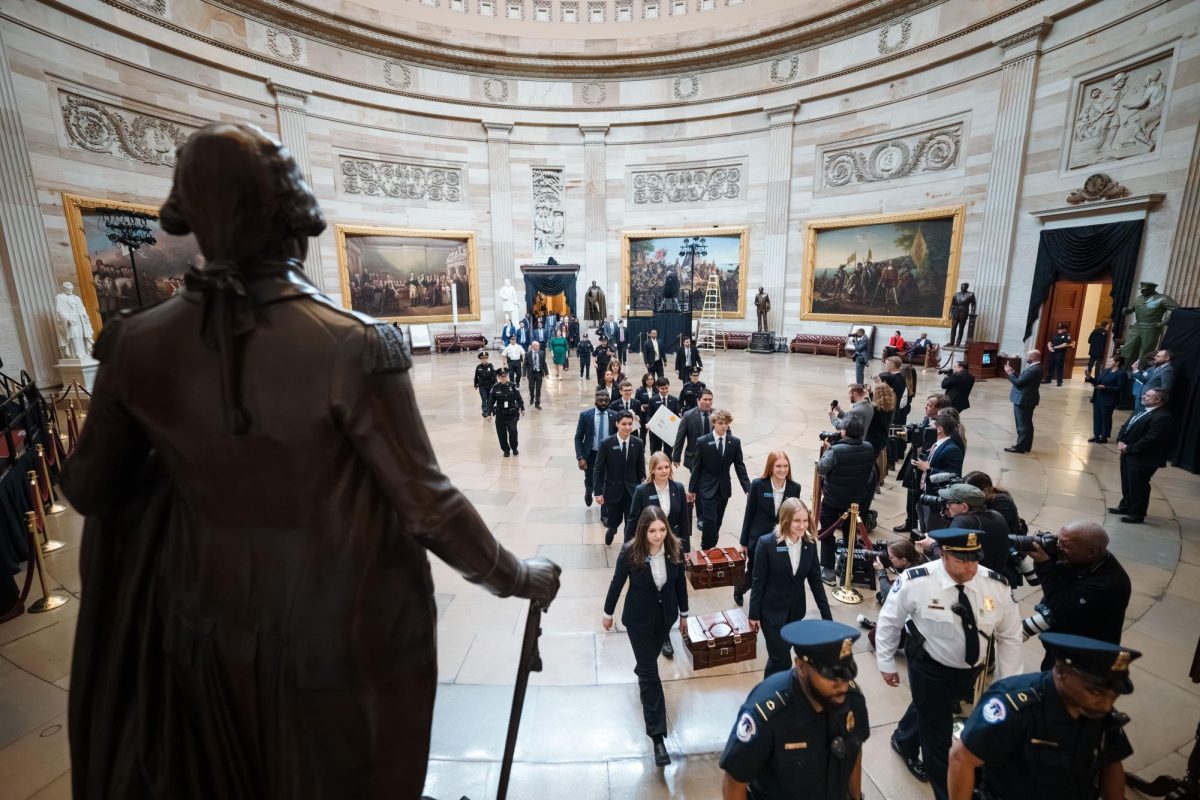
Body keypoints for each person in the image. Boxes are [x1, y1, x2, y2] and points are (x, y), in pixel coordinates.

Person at [59, 122, 561, 799]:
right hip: (340, 638)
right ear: (293, 224)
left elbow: (91, 488)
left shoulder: (132, 344)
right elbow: (428, 506)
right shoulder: (353, 346)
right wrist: (516, 576)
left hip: (201, 629)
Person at [876, 529, 1022, 800]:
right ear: (943, 555)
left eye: (974, 560)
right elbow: (890, 620)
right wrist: (886, 661)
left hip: (971, 671)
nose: (970, 567)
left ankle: (903, 739)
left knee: (928, 707)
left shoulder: (996, 586)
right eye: (961, 560)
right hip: (929, 667)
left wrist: (1007, 687)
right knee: (939, 740)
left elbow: (1010, 637)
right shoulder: (916, 581)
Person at [949, 633, 1140, 800]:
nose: (1107, 705)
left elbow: (1112, 762)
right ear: (1062, 673)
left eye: (1114, 695)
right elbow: (961, 759)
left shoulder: (1100, 714)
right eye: (1095, 692)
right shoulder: (1013, 706)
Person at [719, 620, 870, 800]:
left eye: (845, 676)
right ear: (801, 667)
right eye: (830, 676)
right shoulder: (767, 715)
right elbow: (734, 785)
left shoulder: (852, 699)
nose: (842, 686)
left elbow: (855, 753)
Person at [602, 506, 688, 767]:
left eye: (662, 529)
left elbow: (680, 583)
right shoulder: (631, 552)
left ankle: (643, 666)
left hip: (665, 618)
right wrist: (607, 613)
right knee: (651, 676)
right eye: (652, 531)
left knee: (646, 663)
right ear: (643, 530)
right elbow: (617, 582)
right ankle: (658, 737)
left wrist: (684, 614)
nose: (658, 535)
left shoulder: (675, 549)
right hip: (639, 621)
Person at [1025, 521, 1131, 666]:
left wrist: (1044, 565)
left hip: (1082, 658)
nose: (1058, 549)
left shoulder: (1109, 583)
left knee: (1059, 685)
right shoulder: (1083, 559)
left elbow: (1061, 607)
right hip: (1061, 643)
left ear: (1092, 552)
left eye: (1065, 546)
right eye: (1057, 541)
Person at [749, 498, 833, 677]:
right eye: (797, 521)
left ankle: (769, 690)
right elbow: (758, 581)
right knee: (783, 660)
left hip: (795, 613)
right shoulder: (766, 544)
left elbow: (816, 583)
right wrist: (754, 614)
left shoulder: (809, 545)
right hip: (770, 614)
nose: (802, 526)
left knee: (776, 660)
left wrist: (828, 619)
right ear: (786, 520)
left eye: (805, 521)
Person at [736, 450, 803, 606]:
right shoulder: (758, 485)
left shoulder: (794, 488)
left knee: (773, 574)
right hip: (757, 540)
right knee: (754, 574)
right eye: (778, 466)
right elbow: (749, 515)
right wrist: (743, 543)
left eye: (786, 466)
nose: (782, 470)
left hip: (780, 540)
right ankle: (740, 588)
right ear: (771, 467)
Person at [816, 416, 876, 584]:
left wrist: (828, 449)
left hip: (833, 500)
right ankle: (850, 564)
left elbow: (821, 468)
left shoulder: (836, 450)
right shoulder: (869, 447)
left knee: (827, 533)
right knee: (850, 534)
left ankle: (827, 570)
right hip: (856, 501)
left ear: (844, 431)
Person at [687, 409, 751, 550]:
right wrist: (692, 490)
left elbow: (740, 467)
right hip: (706, 489)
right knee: (710, 521)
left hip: (723, 489)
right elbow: (696, 467)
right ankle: (706, 548)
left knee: (717, 523)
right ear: (714, 423)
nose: (723, 426)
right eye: (721, 423)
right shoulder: (703, 442)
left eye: (726, 423)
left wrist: (748, 489)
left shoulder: (734, 442)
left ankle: (710, 546)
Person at [916, 484, 1010, 575]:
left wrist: (932, 545)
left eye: (949, 503)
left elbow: (950, 561)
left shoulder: (962, 521)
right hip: (994, 576)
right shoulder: (997, 515)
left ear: (964, 507)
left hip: (970, 578)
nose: (947, 506)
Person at [1112, 387, 1175, 523]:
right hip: (1128, 453)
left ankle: (1137, 514)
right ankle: (1125, 506)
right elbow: (1127, 426)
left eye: (1147, 396)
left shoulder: (1163, 417)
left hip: (1144, 458)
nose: (1143, 397)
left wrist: (1129, 448)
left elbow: (1151, 440)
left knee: (1139, 486)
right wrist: (1120, 440)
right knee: (1127, 483)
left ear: (1157, 400)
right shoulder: (1141, 409)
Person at [595, 410, 647, 545]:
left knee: (631, 523)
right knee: (613, 521)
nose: (627, 427)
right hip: (613, 490)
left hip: (632, 490)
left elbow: (641, 469)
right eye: (624, 424)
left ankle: (627, 547)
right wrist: (598, 492)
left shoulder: (638, 443)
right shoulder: (606, 443)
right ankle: (612, 530)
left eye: (630, 424)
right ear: (617, 424)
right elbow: (598, 468)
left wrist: (645, 486)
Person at [913, 412, 964, 533]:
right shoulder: (936, 444)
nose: (926, 429)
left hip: (936, 499)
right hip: (924, 494)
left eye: (930, 426)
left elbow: (953, 475)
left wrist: (928, 469)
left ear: (939, 429)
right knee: (924, 530)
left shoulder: (952, 449)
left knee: (932, 532)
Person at [628, 452, 690, 551]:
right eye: (659, 468)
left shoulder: (679, 488)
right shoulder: (641, 491)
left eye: (666, 467)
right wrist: (628, 548)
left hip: (673, 542)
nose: (664, 471)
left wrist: (686, 550)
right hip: (649, 543)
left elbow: (684, 521)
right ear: (652, 470)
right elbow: (633, 521)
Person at [575, 389, 613, 507]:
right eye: (600, 400)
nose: (603, 403)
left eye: (606, 401)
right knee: (590, 478)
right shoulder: (585, 415)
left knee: (608, 480)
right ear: (595, 400)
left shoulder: (615, 416)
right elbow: (578, 437)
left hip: (609, 455)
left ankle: (605, 511)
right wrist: (580, 457)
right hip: (591, 454)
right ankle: (589, 490)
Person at [1003, 349, 1042, 453]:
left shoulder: (1032, 370)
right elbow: (1023, 378)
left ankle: (1019, 447)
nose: (1026, 357)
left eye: (1028, 355)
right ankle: (1026, 445)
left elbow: (1019, 383)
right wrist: (1013, 371)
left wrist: (1009, 374)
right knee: (1027, 423)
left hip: (1023, 399)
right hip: (1028, 399)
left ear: (1033, 357)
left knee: (1022, 424)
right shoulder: (1036, 368)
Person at [962, 471, 1021, 536]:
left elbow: (989, 527)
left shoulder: (1003, 502)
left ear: (985, 491)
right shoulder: (980, 500)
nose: (965, 495)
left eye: (969, 492)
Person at [866, 376, 896, 490]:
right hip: (882, 438)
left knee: (871, 464)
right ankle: (878, 482)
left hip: (872, 439)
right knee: (875, 462)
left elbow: (872, 410)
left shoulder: (874, 409)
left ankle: (874, 484)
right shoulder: (889, 407)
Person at [486, 368, 525, 456]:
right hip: (500, 414)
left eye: (505, 376)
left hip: (512, 413)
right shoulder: (495, 388)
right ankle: (506, 450)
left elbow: (518, 398)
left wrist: (522, 408)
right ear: (499, 377)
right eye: (501, 376)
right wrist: (488, 414)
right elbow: (490, 402)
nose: (504, 378)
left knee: (513, 431)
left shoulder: (512, 385)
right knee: (501, 433)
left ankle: (514, 448)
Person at [1090, 355, 1128, 443]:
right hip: (1098, 397)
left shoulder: (1121, 373)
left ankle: (1104, 437)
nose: (1108, 363)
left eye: (1111, 362)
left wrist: (1105, 387)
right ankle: (1096, 435)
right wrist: (1089, 378)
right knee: (1097, 416)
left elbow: (1120, 388)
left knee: (1105, 417)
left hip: (1109, 398)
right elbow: (1097, 381)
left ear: (1117, 363)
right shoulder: (1106, 371)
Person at [672, 389, 713, 469]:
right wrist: (676, 457)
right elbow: (680, 437)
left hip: (713, 456)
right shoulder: (688, 416)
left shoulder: (717, 414)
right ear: (698, 400)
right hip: (695, 457)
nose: (708, 402)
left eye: (710, 400)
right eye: (705, 399)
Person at [1130, 348, 1174, 414]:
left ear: (1167, 358)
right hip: (1146, 399)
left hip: (1152, 402)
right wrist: (1135, 370)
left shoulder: (1167, 370)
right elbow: (1146, 380)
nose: (1155, 357)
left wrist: (1154, 401)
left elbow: (1165, 389)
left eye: (1158, 356)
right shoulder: (1159, 368)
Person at [646, 377, 680, 456]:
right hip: (656, 431)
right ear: (658, 388)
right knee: (655, 453)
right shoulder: (652, 400)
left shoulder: (674, 400)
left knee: (668, 453)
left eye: (666, 388)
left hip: (669, 431)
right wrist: (649, 423)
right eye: (662, 388)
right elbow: (649, 415)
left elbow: (676, 415)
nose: (664, 390)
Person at [524, 340, 549, 409]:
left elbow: (544, 363)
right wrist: (523, 374)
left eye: (538, 345)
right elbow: (525, 365)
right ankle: (532, 397)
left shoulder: (542, 353)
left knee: (538, 389)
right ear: (533, 346)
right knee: (531, 387)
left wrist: (546, 373)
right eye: (537, 345)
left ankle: (537, 403)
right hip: (531, 373)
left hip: (539, 373)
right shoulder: (528, 354)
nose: (538, 347)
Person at [472, 351, 496, 417]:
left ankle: (489, 410)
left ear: (487, 359)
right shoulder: (478, 367)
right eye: (482, 358)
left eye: (485, 358)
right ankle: (484, 411)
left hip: (490, 385)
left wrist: (495, 385)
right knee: (484, 398)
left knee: (489, 398)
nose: (484, 360)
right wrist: (475, 384)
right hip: (482, 386)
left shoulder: (491, 366)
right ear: (480, 359)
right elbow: (476, 376)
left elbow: (494, 376)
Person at [634, 372, 656, 440]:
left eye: (652, 379)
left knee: (653, 436)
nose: (650, 381)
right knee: (643, 434)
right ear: (645, 380)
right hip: (643, 415)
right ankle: (642, 449)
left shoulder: (657, 390)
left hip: (654, 415)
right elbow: (636, 402)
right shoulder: (639, 390)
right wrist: (640, 406)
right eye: (648, 379)